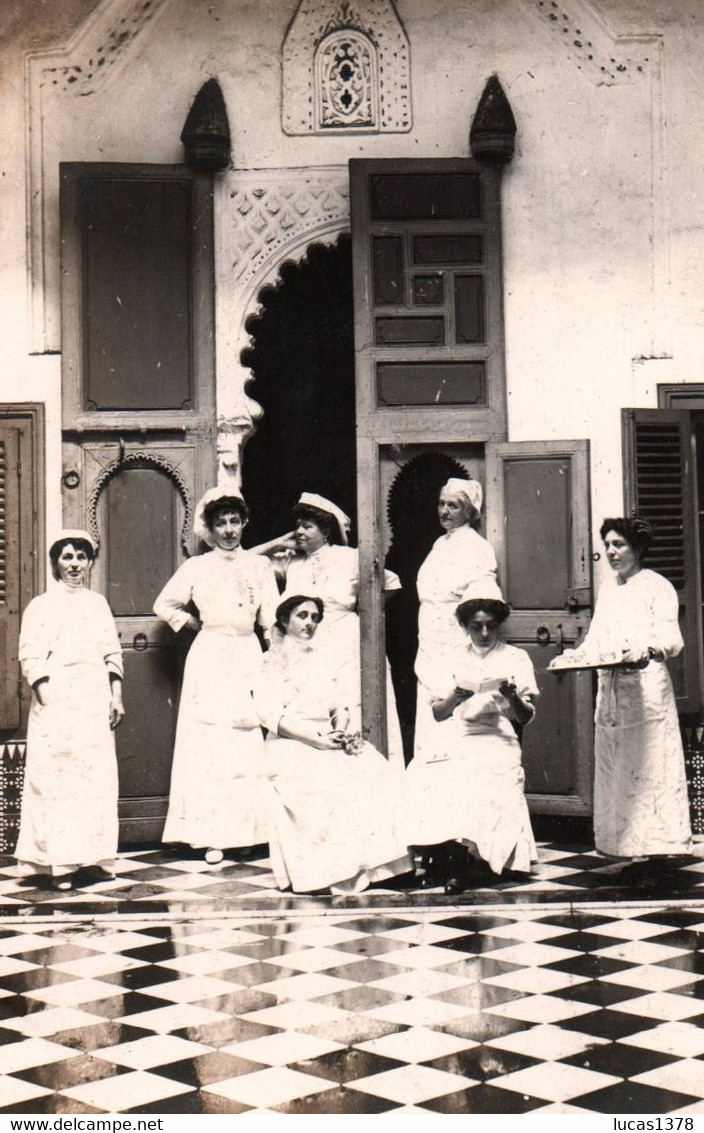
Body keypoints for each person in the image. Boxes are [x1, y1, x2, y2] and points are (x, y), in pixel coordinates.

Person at [549, 517, 692, 881]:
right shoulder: (610, 590)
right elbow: (596, 643)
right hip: (611, 693)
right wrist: (570, 659)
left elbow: (672, 639)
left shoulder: (657, 587)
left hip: (646, 697)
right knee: (618, 773)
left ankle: (657, 856)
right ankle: (630, 852)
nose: (611, 552)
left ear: (638, 548)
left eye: (619, 545)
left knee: (648, 771)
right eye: (607, 545)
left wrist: (649, 648)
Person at [254, 593, 413, 894]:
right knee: (326, 782)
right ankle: (334, 872)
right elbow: (270, 715)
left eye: (315, 617)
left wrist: (339, 732)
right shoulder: (270, 661)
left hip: (327, 738)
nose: (310, 623)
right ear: (285, 620)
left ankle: (383, 868)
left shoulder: (323, 660)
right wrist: (316, 740)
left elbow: (340, 707)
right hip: (289, 743)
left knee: (377, 769)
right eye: (302, 616)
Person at [154, 487, 279, 864]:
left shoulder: (259, 567)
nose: (228, 530)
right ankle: (206, 834)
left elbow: (270, 618)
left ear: (244, 523)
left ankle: (245, 833)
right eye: (221, 523)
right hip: (209, 655)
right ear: (210, 527)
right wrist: (190, 621)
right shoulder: (196, 567)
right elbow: (163, 603)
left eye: (234, 522)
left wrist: (273, 657)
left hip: (245, 653)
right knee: (208, 741)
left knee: (243, 738)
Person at [404, 580, 538, 894]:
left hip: (495, 735)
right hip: (457, 732)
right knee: (424, 773)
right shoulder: (450, 656)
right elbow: (438, 714)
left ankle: (467, 861)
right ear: (464, 625)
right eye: (476, 627)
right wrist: (455, 697)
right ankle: (445, 853)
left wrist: (513, 697)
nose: (484, 634)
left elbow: (525, 717)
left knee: (478, 772)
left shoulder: (515, 658)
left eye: (491, 627)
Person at [255, 491, 405, 768]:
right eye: (297, 525)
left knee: (352, 706)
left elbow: (391, 582)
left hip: (348, 644)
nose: (299, 531)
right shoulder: (291, 561)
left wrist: (365, 616)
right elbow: (248, 562)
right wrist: (280, 542)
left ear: (325, 530)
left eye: (306, 526)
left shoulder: (349, 557)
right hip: (307, 647)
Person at [15, 530, 125, 891]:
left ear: (90, 562)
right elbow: (31, 656)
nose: (75, 564)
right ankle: (59, 865)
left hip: (93, 700)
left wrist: (116, 696)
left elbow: (111, 652)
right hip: (58, 699)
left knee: (95, 779)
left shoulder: (97, 604)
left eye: (81, 556)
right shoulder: (41, 606)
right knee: (58, 781)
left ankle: (93, 860)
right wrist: (50, 701)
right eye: (67, 557)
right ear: (55, 564)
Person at [414, 477, 498, 765]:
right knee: (430, 704)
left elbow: (482, 598)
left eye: (453, 505)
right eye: (441, 503)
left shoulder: (477, 546)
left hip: (455, 635)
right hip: (430, 635)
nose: (445, 511)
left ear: (469, 511)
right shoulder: (440, 543)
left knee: (455, 699)